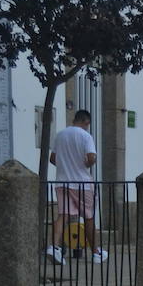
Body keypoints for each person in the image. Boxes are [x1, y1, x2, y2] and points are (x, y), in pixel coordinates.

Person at [47, 110, 103, 265]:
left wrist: (65, 166)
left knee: (62, 215)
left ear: (74, 119)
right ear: (87, 122)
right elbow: (92, 157)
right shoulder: (86, 136)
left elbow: (52, 158)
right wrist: (87, 164)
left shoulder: (60, 135)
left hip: (62, 182)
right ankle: (96, 253)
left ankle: (54, 248)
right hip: (82, 183)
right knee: (89, 217)